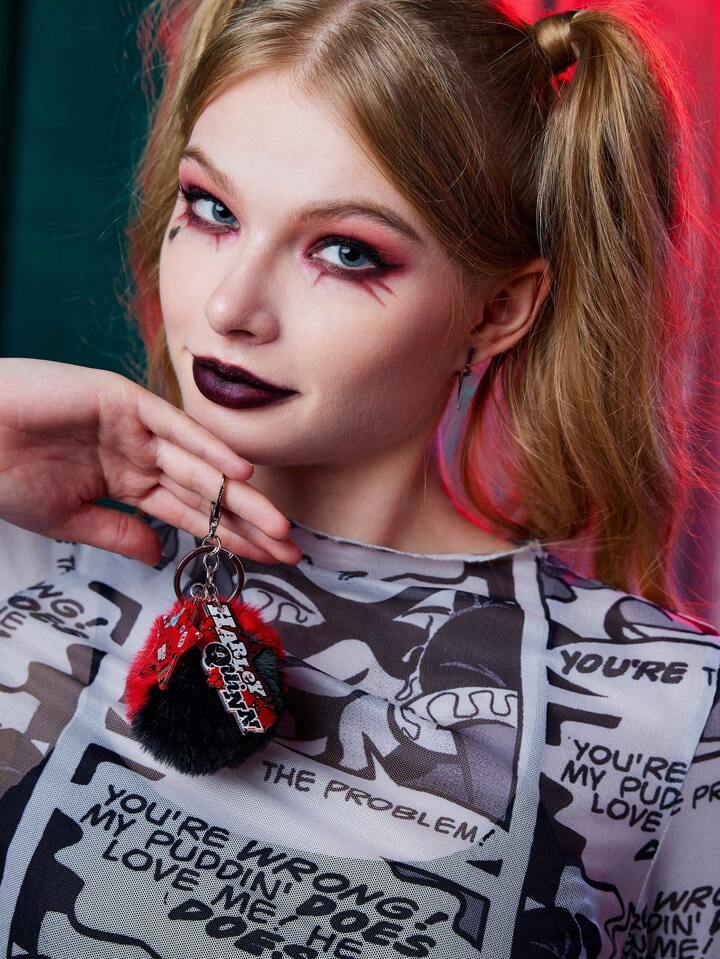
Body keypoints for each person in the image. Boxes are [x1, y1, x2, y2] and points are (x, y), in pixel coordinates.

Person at [0, 0, 718, 955]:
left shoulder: (672, 710)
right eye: (211, 209)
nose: (232, 305)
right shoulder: (20, 541)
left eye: (344, 252)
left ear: (498, 310)